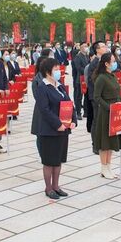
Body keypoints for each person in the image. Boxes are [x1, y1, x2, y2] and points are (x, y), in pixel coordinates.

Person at [33, 57, 76, 198]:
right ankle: (48, 188)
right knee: (49, 161)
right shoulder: (42, 87)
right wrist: (58, 124)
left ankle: (56, 186)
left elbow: (69, 104)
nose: (59, 71)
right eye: (56, 69)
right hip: (49, 130)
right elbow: (44, 110)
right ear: (47, 71)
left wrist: (73, 120)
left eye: (59, 69)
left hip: (63, 129)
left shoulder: (60, 86)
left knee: (58, 160)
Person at [93, 52, 121, 179]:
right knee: (104, 142)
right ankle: (103, 167)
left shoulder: (112, 76)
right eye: (113, 61)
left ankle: (109, 166)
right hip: (106, 113)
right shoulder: (101, 78)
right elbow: (97, 97)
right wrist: (109, 107)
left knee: (112, 141)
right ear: (106, 63)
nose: (115, 63)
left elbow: (118, 93)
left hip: (115, 112)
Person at [72, 42, 90, 117]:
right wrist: (87, 70)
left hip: (87, 79)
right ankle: (78, 112)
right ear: (81, 48)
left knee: (87, 96)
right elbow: (78, 68)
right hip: (80, 79)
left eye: (86, 46)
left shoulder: (87, 56)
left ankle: (86, 112)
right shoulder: (78, 57)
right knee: (79, 97)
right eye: (84, 46)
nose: (86, 47)